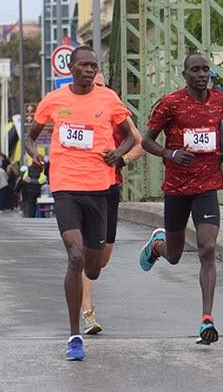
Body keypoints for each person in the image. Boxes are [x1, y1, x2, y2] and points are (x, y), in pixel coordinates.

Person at [25, 45, 135, 361]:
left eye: (93, 65)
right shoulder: (54, 100)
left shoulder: (108, 99)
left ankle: (89, 269)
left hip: (99, 188)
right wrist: (35, 154)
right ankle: (74, 336)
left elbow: (128, 136)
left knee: (94, 267)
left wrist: (119, 153)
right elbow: (32, 136)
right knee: (74, 255)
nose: (89, 70)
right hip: (65, 187)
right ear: (70, 68)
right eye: (83, 65)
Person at [139, 52, 223, 345]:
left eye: (205, 69)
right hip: (177, 188)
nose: (201, 74)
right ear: (184, 74)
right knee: (174, 256)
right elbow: (147, 141)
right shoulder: (172, 103)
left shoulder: (219, 99)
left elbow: (217, 126)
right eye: (195, 70)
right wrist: (169, 153)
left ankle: (206, 319)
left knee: (208, 248)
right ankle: (157, 246)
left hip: (207, 185)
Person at [80, 73, 146, 335]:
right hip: (82, 188)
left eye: (101, 85)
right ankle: (86, 310)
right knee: (83, 253)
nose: (97, 90)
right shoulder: (75, 110)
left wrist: (121, 160)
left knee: (101, 259)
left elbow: (140, 144)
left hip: (109, 188)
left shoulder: (115, 110)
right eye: (92, 85)